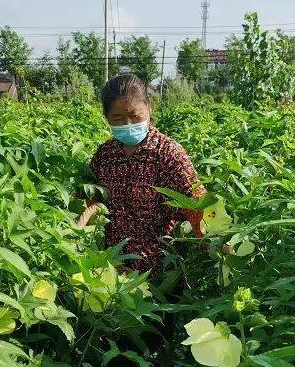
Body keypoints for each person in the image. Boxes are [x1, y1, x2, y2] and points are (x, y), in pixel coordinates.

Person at [81, 73, 204, 276]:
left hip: (160, 271)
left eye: (135, 116)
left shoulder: (168, 153)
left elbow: (195, 203)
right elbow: (91, 199)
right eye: (118, 119)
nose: (128, 124)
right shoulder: (105, 154)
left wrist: (216, 241)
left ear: (149, 108)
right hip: (113, 265)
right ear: (107, 118)